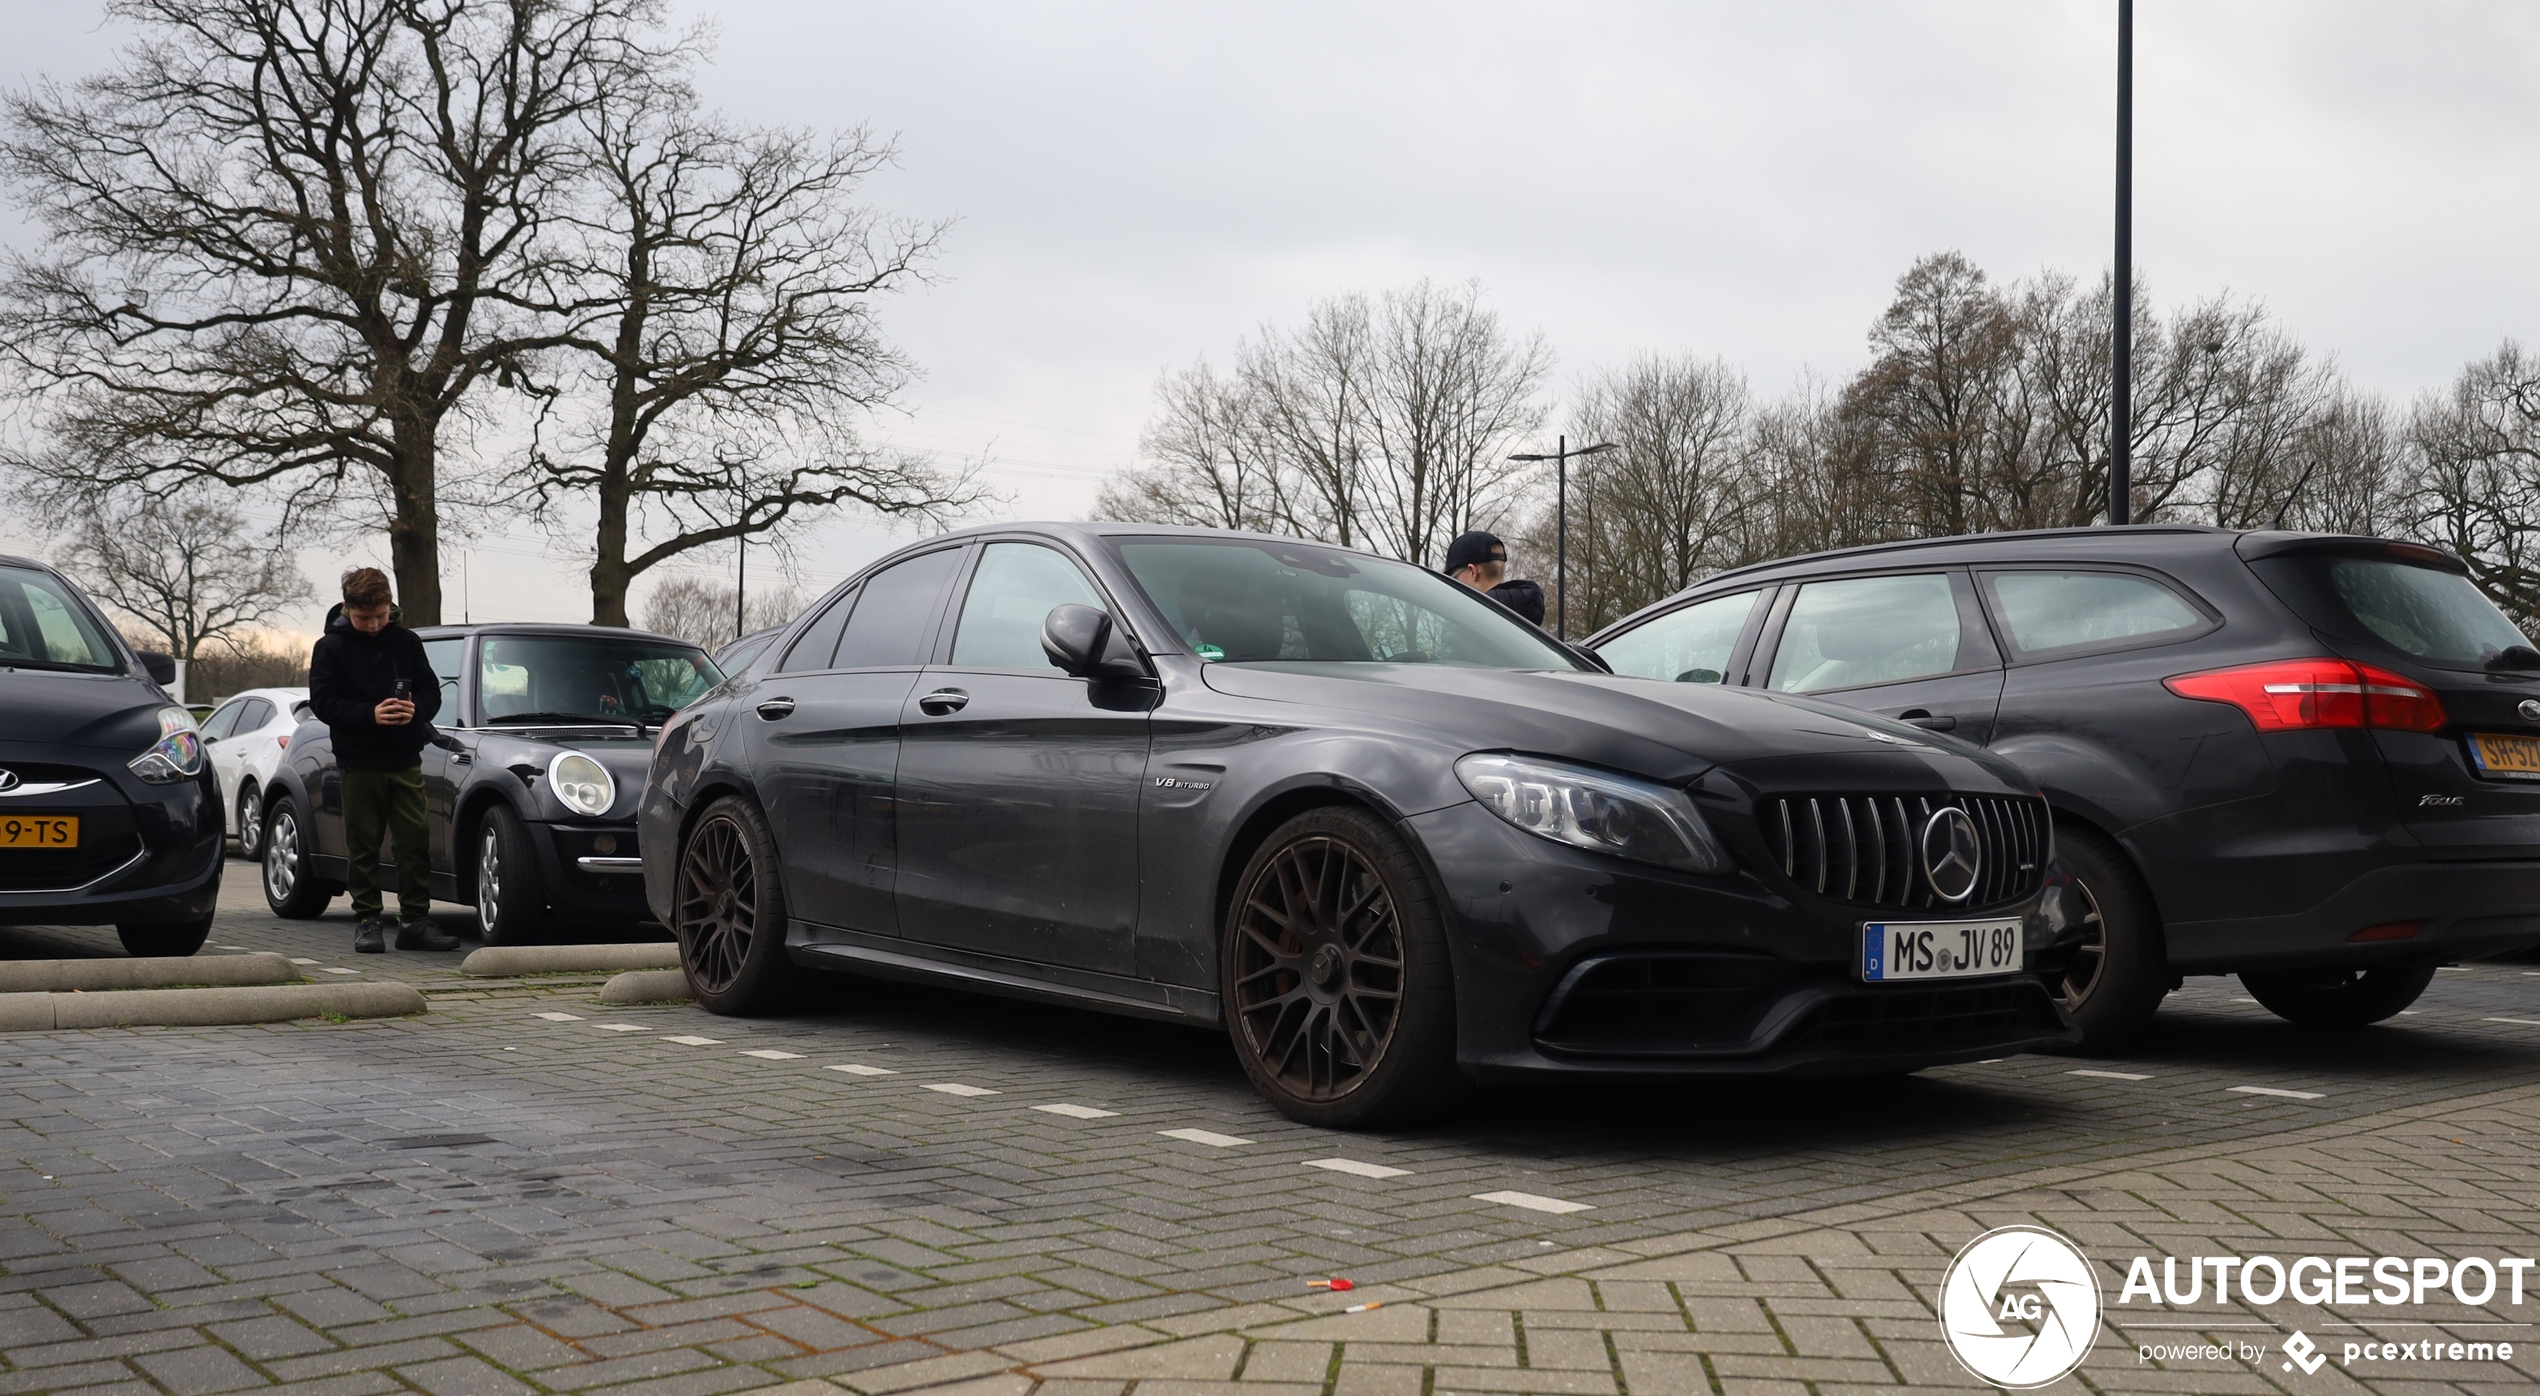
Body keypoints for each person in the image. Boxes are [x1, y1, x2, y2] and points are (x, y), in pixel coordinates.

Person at [307, 568, 459, 954]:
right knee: (364, 844)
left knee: (414, 841)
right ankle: (367, 921)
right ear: (347, 609)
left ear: (391, 605)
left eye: (381, 615)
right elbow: (324, 703)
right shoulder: (329, 648)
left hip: (406, 757)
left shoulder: (406, 641)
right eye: (364, 618)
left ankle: (414, 922)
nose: (374, 625)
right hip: (358, 761)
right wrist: (369, 714)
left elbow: (431, 690)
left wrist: (416, 709)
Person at [1442, 531, 1508, 591]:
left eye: (1454, 579)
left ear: (1473, 572)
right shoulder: (1516, 600)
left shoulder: (1478, 604)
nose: (1451, 586)